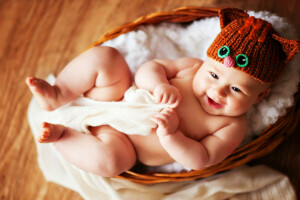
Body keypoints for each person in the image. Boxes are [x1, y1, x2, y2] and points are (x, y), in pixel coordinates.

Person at [26, 8, 299, 177]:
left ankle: (64, 138)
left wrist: (172, 136)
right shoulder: (191, 68)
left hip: (122, 142)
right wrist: (159, 84)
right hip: (117, 94)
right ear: (205, 63)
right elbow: (151, 66)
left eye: (237, 89)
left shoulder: (231, 125)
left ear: (260, 97)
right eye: (214, 75)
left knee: (111, 162)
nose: (218, 90)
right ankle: (59, 93)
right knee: (107, 58)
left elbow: (202, 158)